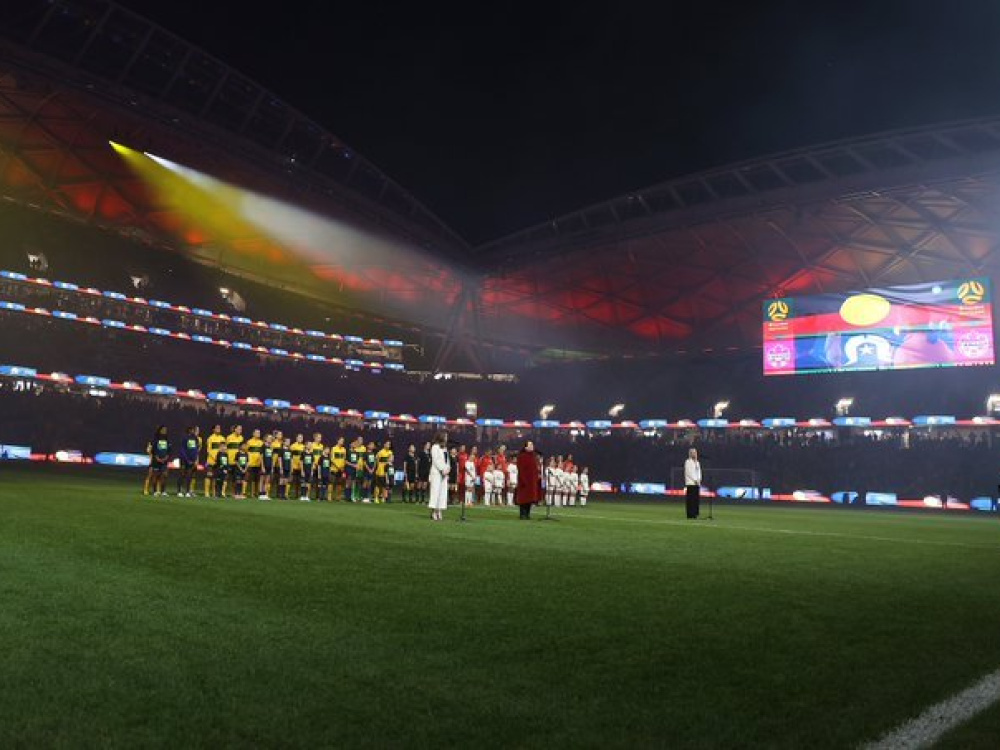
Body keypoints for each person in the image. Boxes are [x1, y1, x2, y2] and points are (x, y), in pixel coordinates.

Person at [428, 432, 451, 521]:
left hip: (444, 473)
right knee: (435, 491)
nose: (446, 438)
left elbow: (447, 460)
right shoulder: (435, 447)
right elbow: (436, 460)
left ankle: (439, 510)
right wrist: (442, 469)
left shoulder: (444, 448)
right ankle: (434, 511)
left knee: (443, 492)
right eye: (445, 436)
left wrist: (447, 469)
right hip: (436, 473)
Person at [515, 441, 541, 519]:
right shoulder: (521, 456)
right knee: (523, 498)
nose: (532, 446)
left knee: (530, 499)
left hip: (532, 481)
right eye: (530, 445)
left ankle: (528, 514)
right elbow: (521, 469)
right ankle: (522, 514)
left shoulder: (534, 456)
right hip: (524, 481)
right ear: (525, 447)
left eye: (532, 444)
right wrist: (523, 479)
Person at [144, 425, 171, 496]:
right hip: (156, 461)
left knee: (164, 475)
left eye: (166, 430)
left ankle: (163, 491)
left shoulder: (167, 440)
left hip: (164, 461)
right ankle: (154, 491)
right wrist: (157, 458)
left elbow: (169, 450)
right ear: (160, 430)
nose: (165, 431)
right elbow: (152, 450)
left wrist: (166, 458)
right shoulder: (155, 440)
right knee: (154, 476)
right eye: (163, 429)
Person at [176, 425, 201, 497]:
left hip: (192, 460)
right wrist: (187, 459)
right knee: (182, 474)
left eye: (193, 430)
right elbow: (182, 450)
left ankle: (187, 491)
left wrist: (195, 458)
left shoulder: (195, 439)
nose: (193, 431)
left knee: (189, 475)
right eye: (192, 430)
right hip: (184, 460)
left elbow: (196, 449)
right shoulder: (184, 438)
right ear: (188, 430)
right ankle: (179, 491)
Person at [203, 424, 225, 497]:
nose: (219, 429)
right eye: (217, 428)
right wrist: (215, 458)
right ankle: (207, 492)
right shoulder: (210, 438)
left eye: (219, 428)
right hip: (211, 460)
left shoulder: (222, 438)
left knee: (216, 477)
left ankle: (214, 493)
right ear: (213, 429)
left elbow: (224, 450)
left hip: (219, 461)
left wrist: (220, 459)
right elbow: (208, 450)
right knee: (209, 476)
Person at [245, 428, 264, 498]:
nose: (258, 434)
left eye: (259, 433)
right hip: (251, 463)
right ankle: (251, 493)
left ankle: (257, 493)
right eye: (257, 433)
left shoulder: (261, 443)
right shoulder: (249, 442)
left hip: (258, 464)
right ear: (253, 434)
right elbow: (246, 452)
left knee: (257, 479)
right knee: (251, 479)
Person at [684, 447, 702, 519]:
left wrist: (699, 479)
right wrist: (695, 480)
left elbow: (699, 472)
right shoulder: (688, 462)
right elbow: (689, 472)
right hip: (690, 483)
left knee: (696, 499)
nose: (694, 454)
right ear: (690, 454)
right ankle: (690, 514)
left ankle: (695, 513)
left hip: (697, 483)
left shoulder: (697, 463)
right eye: (693, 453)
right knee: (690, 499)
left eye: (695, 452)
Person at [259, 432, 275, 499]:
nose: (270, 439)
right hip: (264, 465)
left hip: (269, 465)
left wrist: (272, 467)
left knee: (267, 480)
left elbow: (271, 457)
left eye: (271, 438)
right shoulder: (263, 446)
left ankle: (265, 494)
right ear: (265, 438)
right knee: (262, 479)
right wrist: (262, 466)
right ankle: (260, 494)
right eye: (269, 438)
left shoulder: (271, 447)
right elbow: (261, 457)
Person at [331, 437, 347, 501]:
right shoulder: (333, 448)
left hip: (341, 470)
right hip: (334, 469)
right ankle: (331, 496)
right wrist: (337, 467)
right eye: (341, 441)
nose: (342, 442)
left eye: (343, 441)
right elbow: (332, 459)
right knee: (332, 483)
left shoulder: (344, 449)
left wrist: (342, 468)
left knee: (339, 484)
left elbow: (344, 459)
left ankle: (338, 497)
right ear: (337, 441)